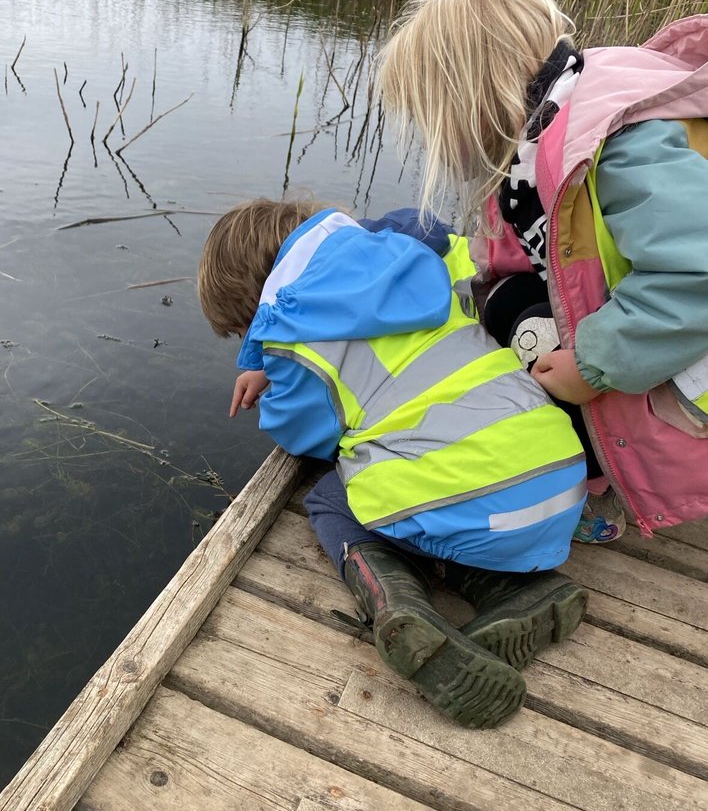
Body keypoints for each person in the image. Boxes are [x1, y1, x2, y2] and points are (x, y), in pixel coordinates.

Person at [198, 197, 588, 729]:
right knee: (447, 483)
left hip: (476, 503)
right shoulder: (415, 258)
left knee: (333, 498)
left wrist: (275, 367)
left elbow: (305, 438)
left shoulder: (293, 345)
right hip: (560, 473)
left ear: (257, 306)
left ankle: (397, 602)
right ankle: (517, 590)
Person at [377, 0, 708, 544]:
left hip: (687, 346)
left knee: (541, 346)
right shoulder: (543, 138)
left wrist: (594, 364)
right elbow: (532, 257)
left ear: (472, 96)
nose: (441, 142)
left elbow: (697, 272)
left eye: (438, 122)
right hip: (656, 326)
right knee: (505, 302)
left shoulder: (620, 144)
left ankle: (602, 475)